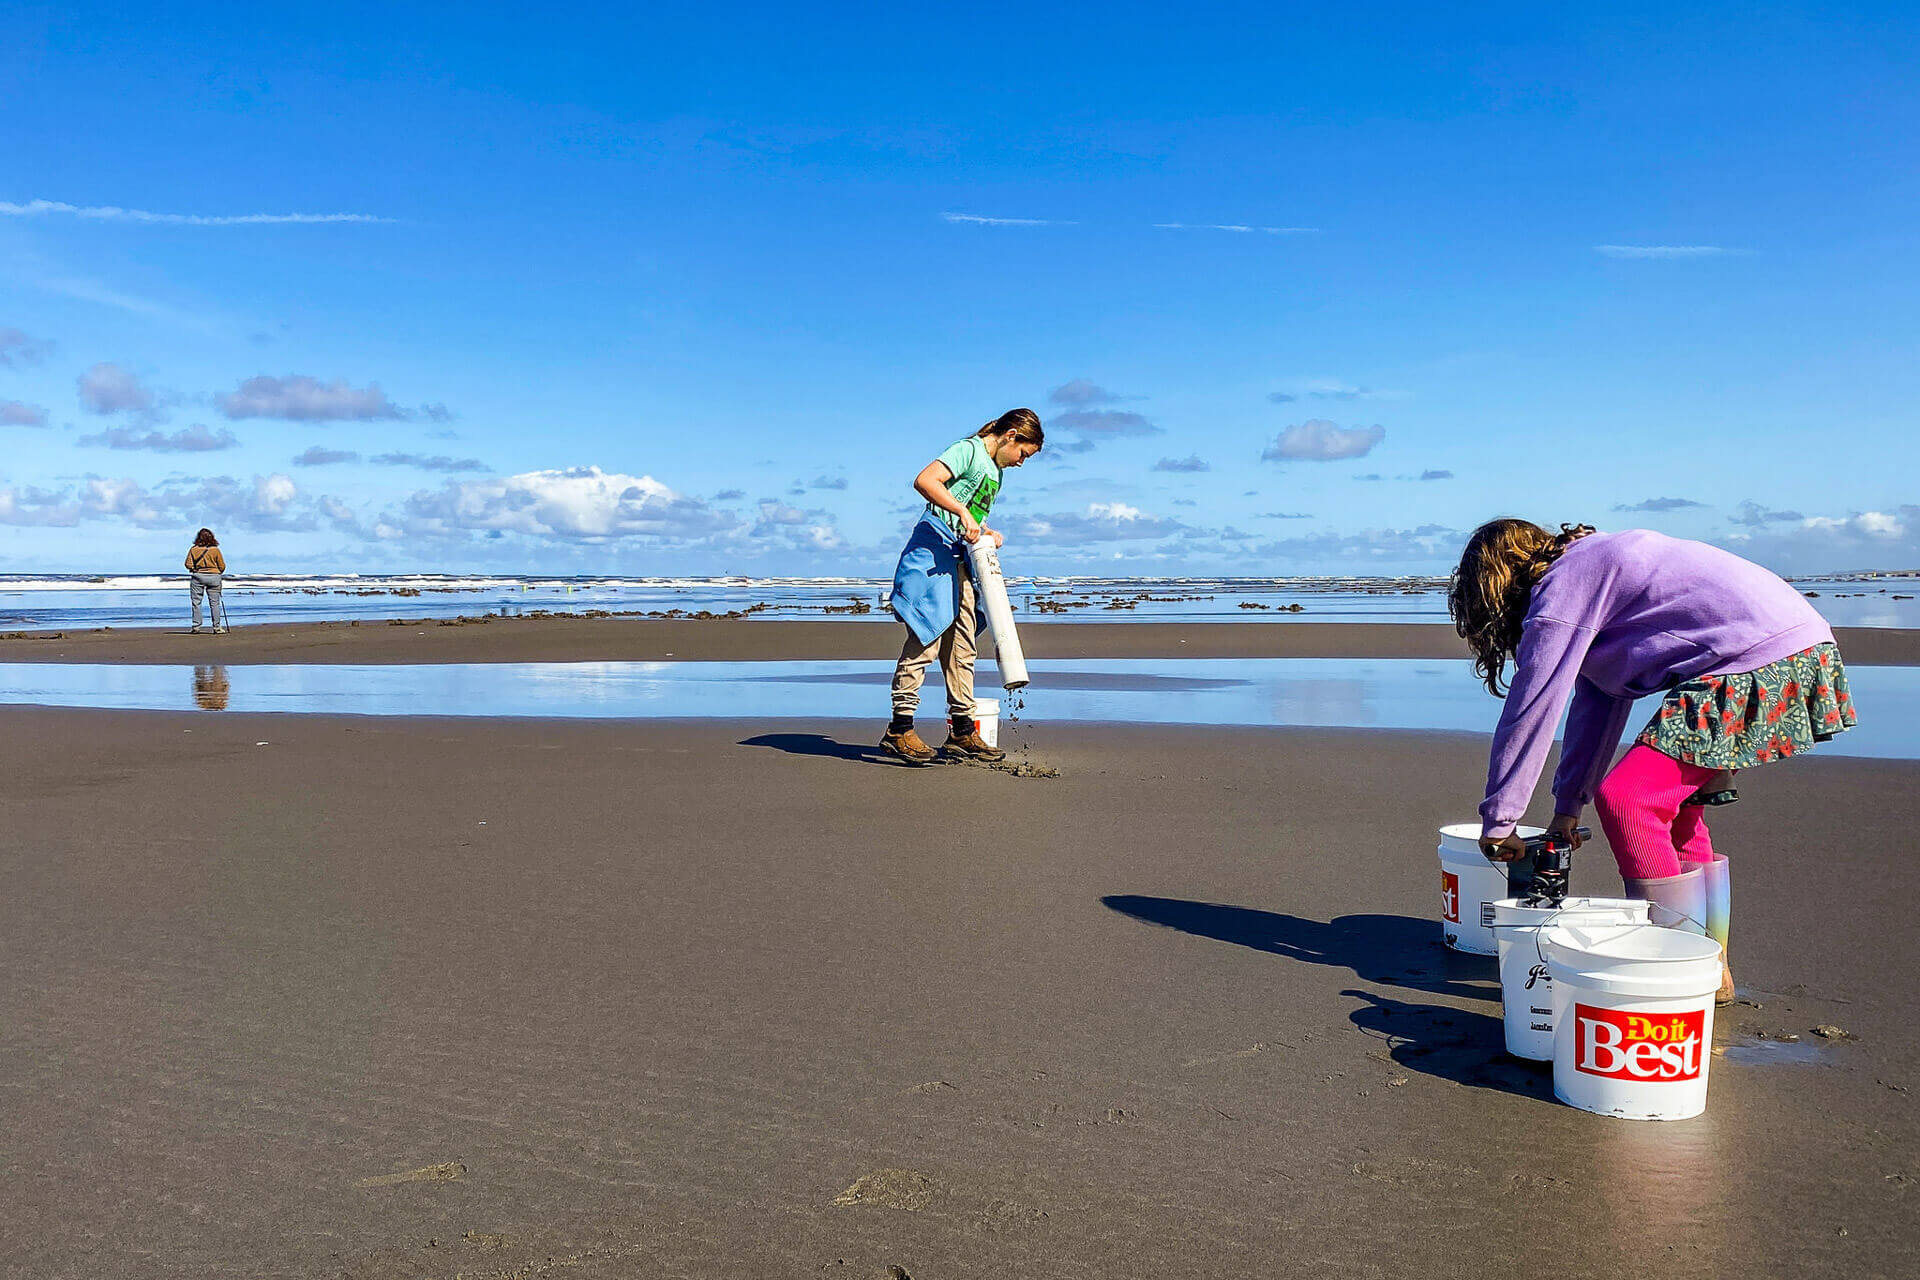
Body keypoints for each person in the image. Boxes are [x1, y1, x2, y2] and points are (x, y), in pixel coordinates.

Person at [1449, 519, 1856, 1004]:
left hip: (1758, 659)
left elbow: (1533, 706)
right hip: (1794, 648)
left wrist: (1499, 821)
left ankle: (1670, 969)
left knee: (1629, 800)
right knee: (1675, 809)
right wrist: (1567, 810)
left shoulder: (1565, 583)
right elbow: (1598, 705)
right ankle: (1710, 967)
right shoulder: (1594, 576)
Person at [881, 408, 1044, 764]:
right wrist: (964, 514)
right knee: (927, 636)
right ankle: (899, 728)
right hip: (933, 551)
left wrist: (984, 530)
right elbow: (925, 481)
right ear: (1011, 435)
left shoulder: (996, 472)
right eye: (1022, 454)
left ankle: (962, 730)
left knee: (963, 644)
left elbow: (971, 519)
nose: (1020, 463)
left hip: (961, 558)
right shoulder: (968, 451)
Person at [185, 528, 227, 634]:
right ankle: (217, 627)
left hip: (198, 576)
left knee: (196, 602)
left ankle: (196, 626)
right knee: (215, 603)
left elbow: (188, 564)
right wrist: (216, 572)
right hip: (214, 577)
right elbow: (222, 566)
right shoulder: (215, 550)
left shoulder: (193, 549)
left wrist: (195, 569)